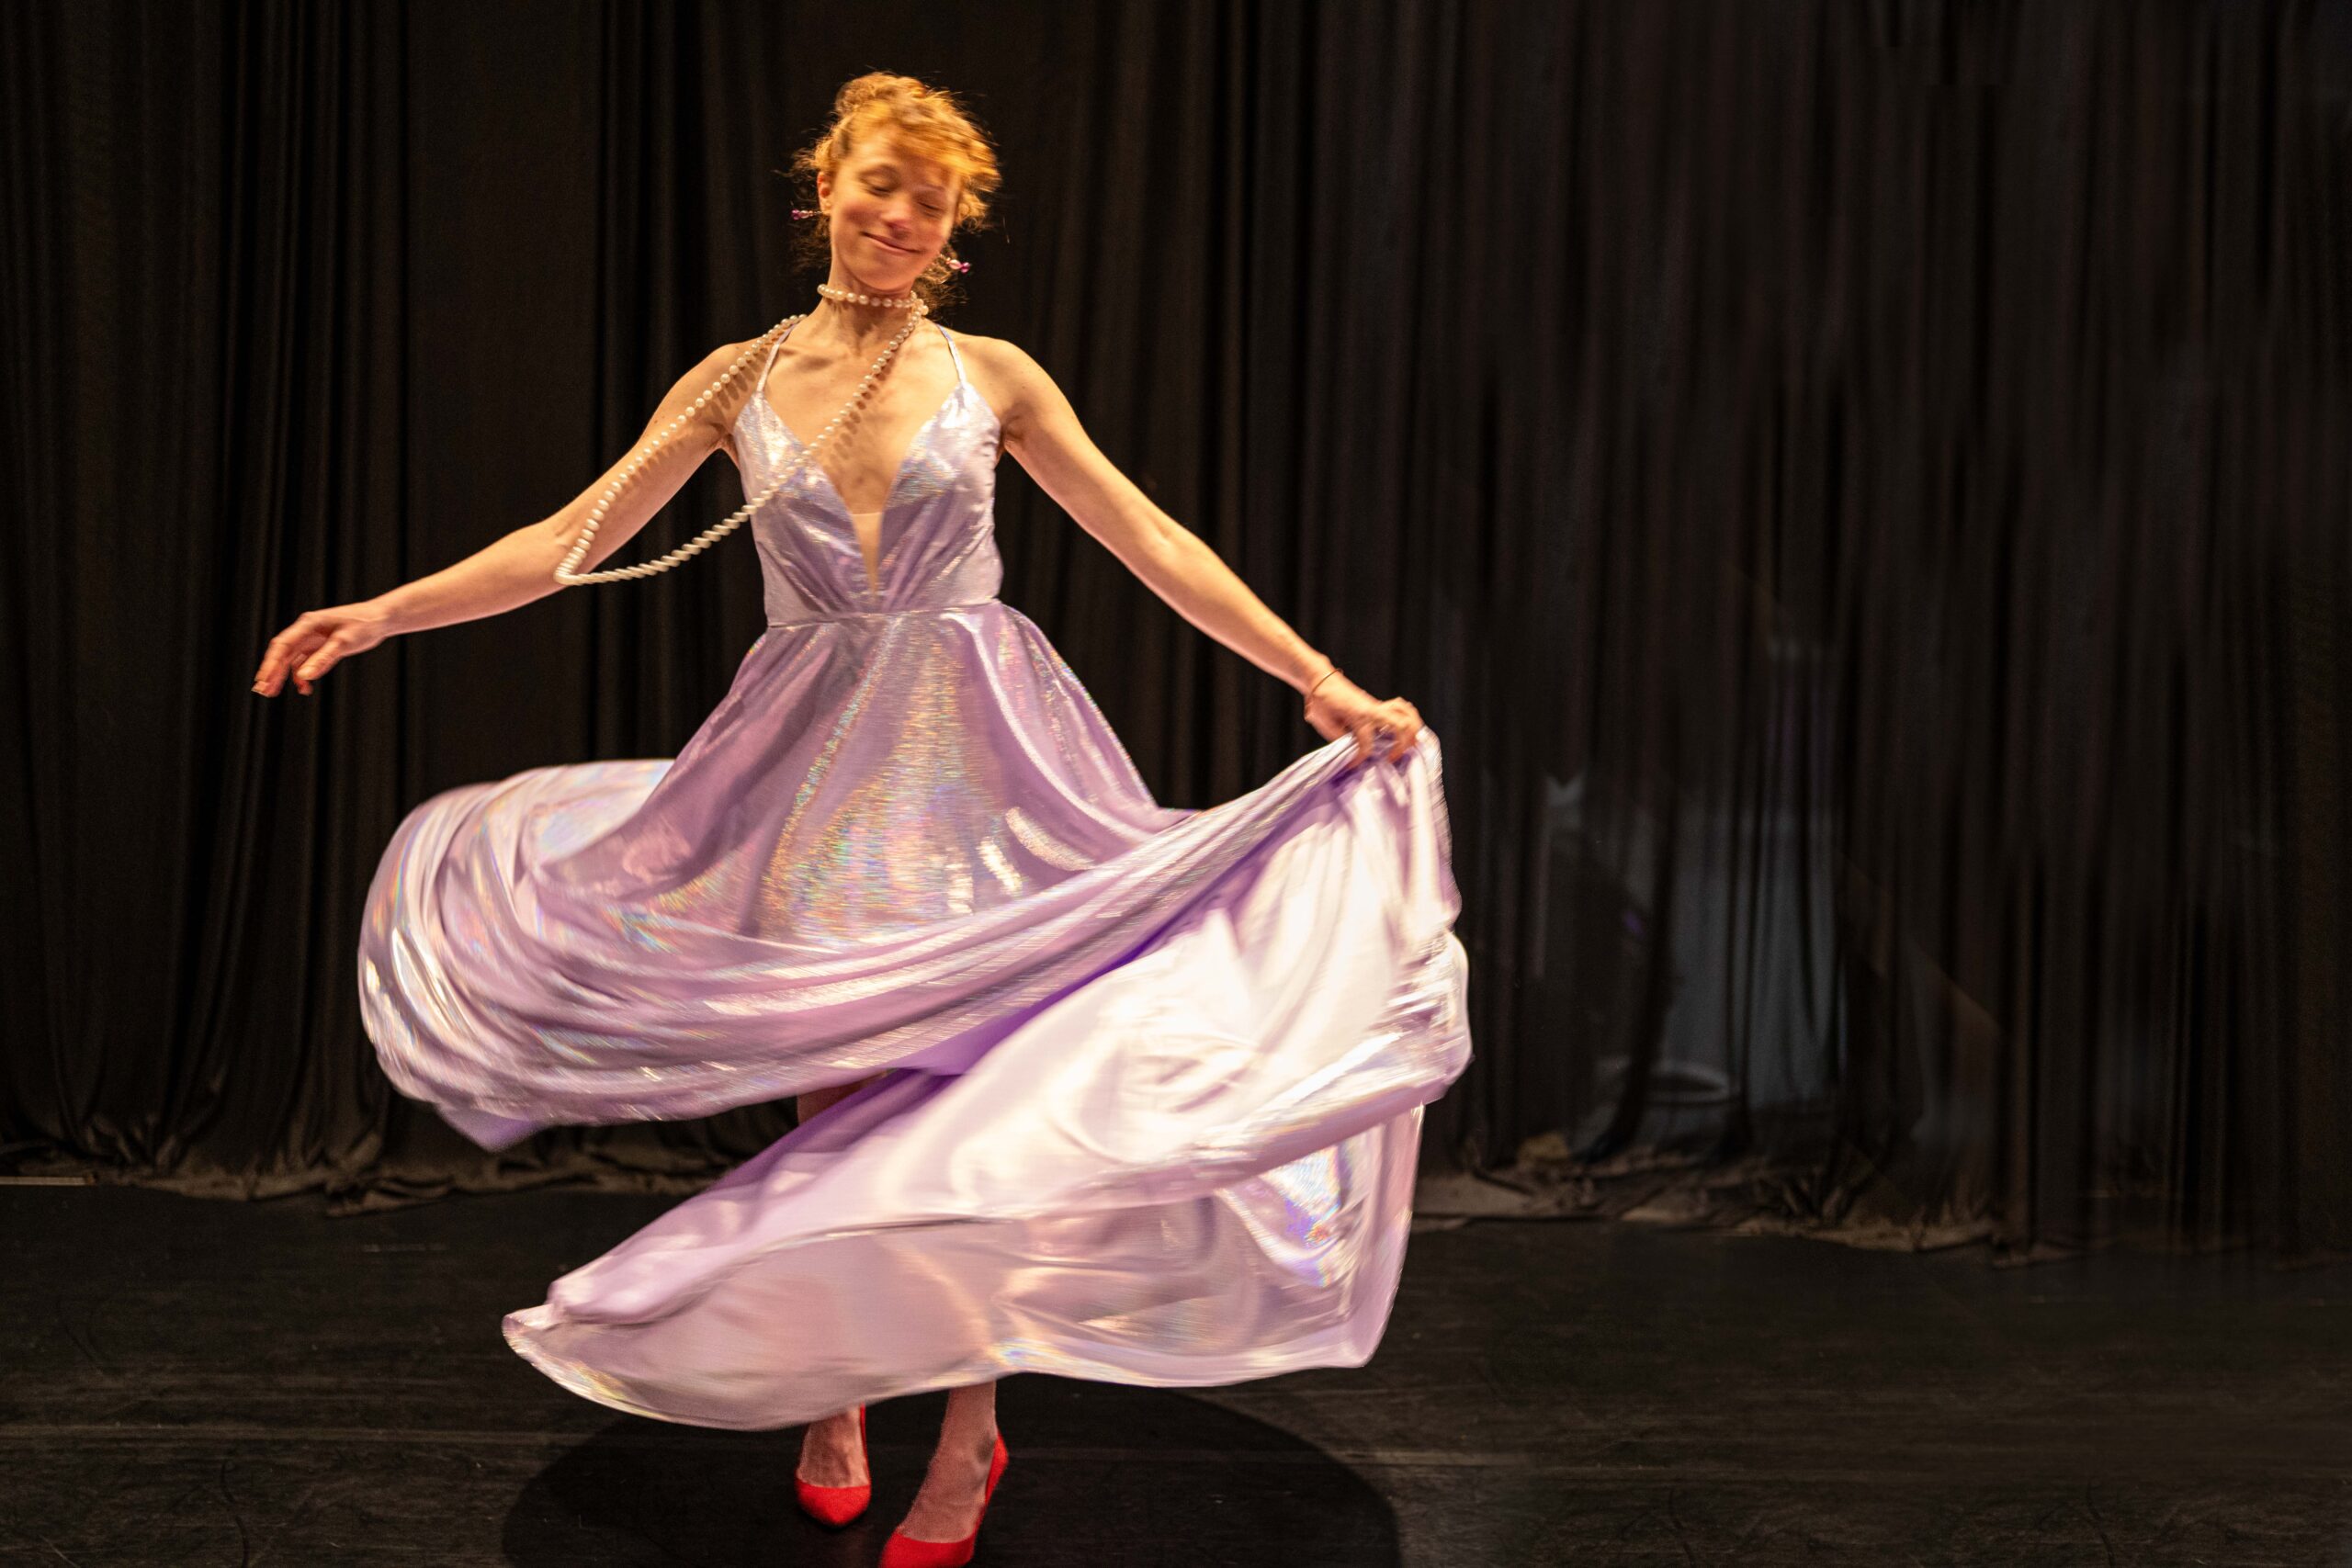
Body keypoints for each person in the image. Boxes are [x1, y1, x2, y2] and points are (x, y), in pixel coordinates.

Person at [254, 73, 1470, 1567]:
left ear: (957, 232)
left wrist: (1321, 678)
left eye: (932, 201)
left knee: (962, 1113)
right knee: (846, 1094)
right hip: (812, 766)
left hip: (981, 756)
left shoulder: (997, 376)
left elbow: (1152, 538)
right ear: (824, 188)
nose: (900, 216)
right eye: (879, 185)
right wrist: (385, 612)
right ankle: (843, 1384)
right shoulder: (732, 383)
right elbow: (568, 543)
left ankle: (964, 1436)